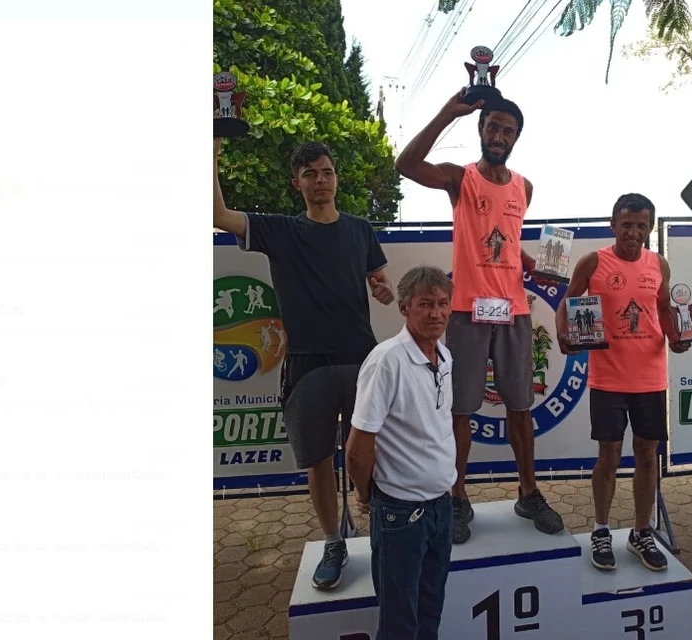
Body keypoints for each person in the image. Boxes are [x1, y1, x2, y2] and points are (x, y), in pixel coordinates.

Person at [213, 137, 395, 590]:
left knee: (371, 453)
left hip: (361, 359)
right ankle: (334, 542)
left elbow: (377, 276)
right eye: (310, 174)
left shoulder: (359, 229)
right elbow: (218, 215)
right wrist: (212, 149)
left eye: (326, 172)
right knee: (318, 461)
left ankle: (381, 530)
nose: (320, 180)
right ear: (296, 183)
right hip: (306, 364)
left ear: (337, 178)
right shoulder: (280, 230)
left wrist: (382, 287)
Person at [395, 88, 563, 544]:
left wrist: (533, 264)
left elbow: (508, 240)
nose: (499, 136)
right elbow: (405, 165)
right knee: (460, 410)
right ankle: (457, 497)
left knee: (520, 408)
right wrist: (447, 112)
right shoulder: (460, 178)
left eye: (508, 130)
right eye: (493, 127)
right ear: (481, 130)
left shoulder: (524, 187)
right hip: (467, 311)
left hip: (514, 312)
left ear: (516, 137)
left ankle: (528, 493)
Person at [555, 193, 691, 572]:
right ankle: (600, 530)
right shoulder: (593, 261)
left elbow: (662, 309)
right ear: (613, 223)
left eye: (641, 226)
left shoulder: (658, 264)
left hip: (650, 377)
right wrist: (564, 334)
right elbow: (568, 302)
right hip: (608, 377)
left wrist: (676, 337)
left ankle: (641, 532)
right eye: (627, 224)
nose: (633, 233)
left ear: (650, 228)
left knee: (647, 455)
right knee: (609, 455)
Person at [347, 266, 457, 640]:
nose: (436, 313)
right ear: (404, 307)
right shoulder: (386, 360)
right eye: (425, 304)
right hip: (400, 514)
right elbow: (358, 449)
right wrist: (366, 496)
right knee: (399, 624)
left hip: (441, 507)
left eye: (442, 303)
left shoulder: (444, 355)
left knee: (429, 612)